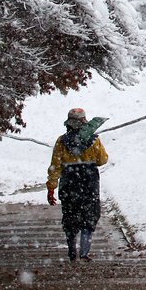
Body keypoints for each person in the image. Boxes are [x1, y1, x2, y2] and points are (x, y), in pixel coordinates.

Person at [45, 107, 109, 262]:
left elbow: (55, 166)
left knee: (70, 216)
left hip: (69, 182)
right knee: (89, 216)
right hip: (89, 182)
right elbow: (102, 160)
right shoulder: (94, 140)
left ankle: (71, 250)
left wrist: (51, 187)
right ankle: (84, 252)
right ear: (84, 121)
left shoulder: (61, 141)